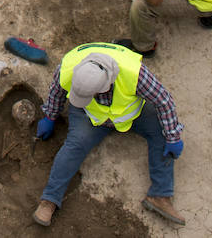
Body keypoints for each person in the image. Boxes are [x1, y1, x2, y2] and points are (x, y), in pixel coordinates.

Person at [32, 42, 186, 228]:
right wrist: (50, 116)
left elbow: (164, 101)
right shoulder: (68, 67)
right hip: (90, 116)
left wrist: (172, 137)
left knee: (164, 130)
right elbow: (57, 91)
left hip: (132, 114)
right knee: (75, 145)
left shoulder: (134, 74)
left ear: (106, 85)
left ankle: (160, 195)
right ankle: (49, 200)